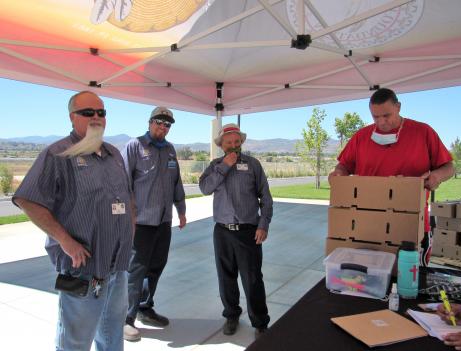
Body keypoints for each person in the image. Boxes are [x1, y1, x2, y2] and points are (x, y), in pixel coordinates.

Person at [12, 91, 134, 351]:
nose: (96, 118)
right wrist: (65, 241)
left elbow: (126, 199)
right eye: (88, 112)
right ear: (72, 117)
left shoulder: (113, 154)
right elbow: (27, 199)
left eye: (101, 112)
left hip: (117, 268)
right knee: (75, 342)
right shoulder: (58, 154)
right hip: (84, 269)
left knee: (112, 336)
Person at [328, 88, 454, 265]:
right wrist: (339, 174)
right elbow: (344, 165)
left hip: (411, 222)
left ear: (399, 107)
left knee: (409, 280)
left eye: (386, 115)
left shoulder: (423, 132)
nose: (381, 122)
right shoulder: (361, 137)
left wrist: (436, 176)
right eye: (375, 117)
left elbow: (449, 167)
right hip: (367, 225)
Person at [199, 123, 272, 339]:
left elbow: (265, 198)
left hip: (248, 231)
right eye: (228, 142)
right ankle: (231, 315)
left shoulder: (253, 165)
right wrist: (224, 167)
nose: (233, 145)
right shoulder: (214, 165)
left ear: (241, 142)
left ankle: (260, 322)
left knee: (252, 279)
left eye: (236, 141)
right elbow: (204, 188)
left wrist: (263, 225)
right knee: (226, 277)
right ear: (221, 145)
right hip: (222, 232)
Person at [121, 106, 187, 341]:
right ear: (150, 123)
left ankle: (145, 309)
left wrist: (181, 211)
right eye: (159, 122)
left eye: (167, 124)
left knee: (156, 266)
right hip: (141, 222)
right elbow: (123, 184)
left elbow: (176, 183)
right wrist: (128, 216)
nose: (163, 127)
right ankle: (126, 318)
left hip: (163, 221)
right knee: (136, 269)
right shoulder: (134, 146)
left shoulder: (169, 150)